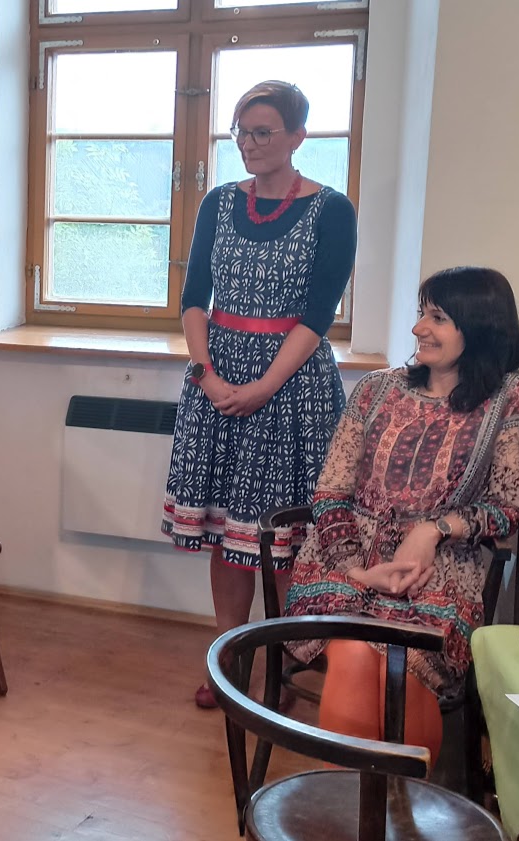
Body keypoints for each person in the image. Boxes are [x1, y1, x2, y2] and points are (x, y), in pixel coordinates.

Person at [284, 266, 519, 765]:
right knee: (356, 649)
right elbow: (331, 490)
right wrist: (356, 569)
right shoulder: (375, 389)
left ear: (480, 327)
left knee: (395, 660)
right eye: (421, 313)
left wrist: (433, 530)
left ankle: (388, 794)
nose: (418, 328)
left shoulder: (512, 398)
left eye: (438, 318)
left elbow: (508, 507)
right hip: (341, 561)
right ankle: (374, 797)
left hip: (440, 573)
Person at [160, 80, 356, 709]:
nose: (249, 143)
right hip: (216, 381)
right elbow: (194, 299)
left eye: (263, 132)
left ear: (298, 136)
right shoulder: (218, 203)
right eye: (241, 132)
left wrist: (263, 387)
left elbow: (318, 316)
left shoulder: (332, 210)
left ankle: (282, 665)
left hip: (292, 389)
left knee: (279, 539)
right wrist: (207, 375)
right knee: (227, 535)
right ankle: (230, 661)